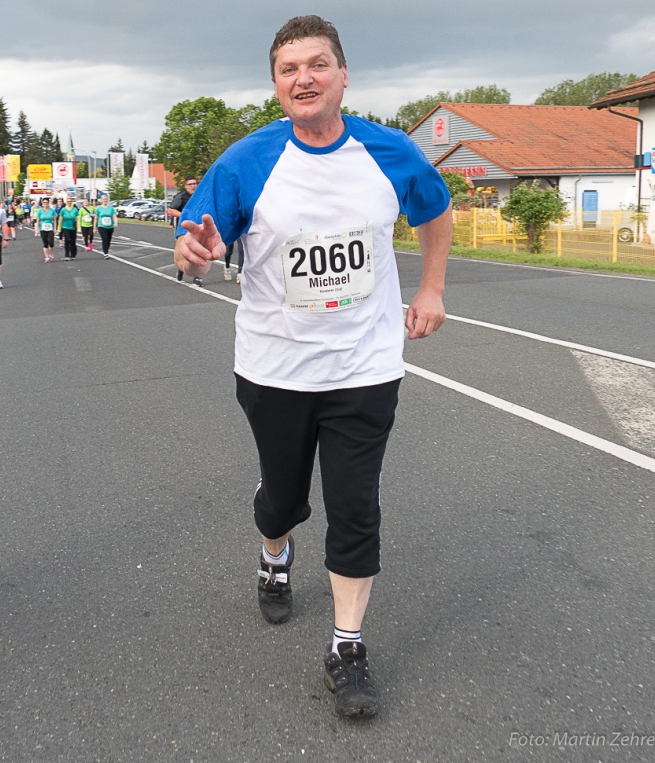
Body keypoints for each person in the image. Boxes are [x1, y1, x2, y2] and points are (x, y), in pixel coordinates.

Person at [173, 15, 451, 719]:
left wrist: (431, 287)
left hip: (366, 365)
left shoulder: (390, 153)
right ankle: (275, 553)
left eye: (317, 64)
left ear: (344, 75)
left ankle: (347, 646)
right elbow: (191, 241)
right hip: (276, 369)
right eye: (289, 68)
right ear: (276, 85)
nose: (304, 78)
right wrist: (193, 252)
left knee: (355, 507)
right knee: (284, 498)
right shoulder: (245, 162)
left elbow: (435, 212)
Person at [168, 176, 201, 285]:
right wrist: (184, 216)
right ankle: (180, 269)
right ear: (186, 186)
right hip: (183, 227)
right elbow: (171, 210)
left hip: (197, 227)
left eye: (195, 184)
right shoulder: (181, 196)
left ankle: (197, 276)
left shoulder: (200, 196)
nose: (193, 186)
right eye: (191, 184)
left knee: (197, 250)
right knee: (183, 251)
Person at [56, 196, 81, 260]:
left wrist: (78, 228)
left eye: (70, 201)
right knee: (67, 240)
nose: (69, 202)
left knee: (73, 241)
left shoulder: (75, 209)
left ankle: (73, 255)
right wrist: (59, 228)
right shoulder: (63, 209)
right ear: (66, 202)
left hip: (73, 227)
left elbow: (78, 219)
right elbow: (60, 219)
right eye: (68, 201)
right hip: (65, 227)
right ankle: (67, 255)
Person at [93, 194, 117, 259]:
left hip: (110, 226)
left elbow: (114, 216)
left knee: (108, 240)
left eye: (106, 199)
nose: (105, 201)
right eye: (103, 199)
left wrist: (116, 223)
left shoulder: (111, 208)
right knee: (105, 239)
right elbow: (96, 218)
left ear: (107, 200)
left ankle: (106, 250)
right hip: (101, 226)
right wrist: (94, 228)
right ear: (101, 200)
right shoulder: (99, 208)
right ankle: (105, 253)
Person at [34, 198, 57, 262]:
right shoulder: (40, 211)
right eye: (44, 203)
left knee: (51, 243)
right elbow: (37, 221)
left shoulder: (52, 211)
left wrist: (55, 228)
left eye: (47, 203)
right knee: (45, 243)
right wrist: (37, 229)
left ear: (48, 203)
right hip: (43, 228)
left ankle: (51, 254)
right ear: (42, 203)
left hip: (50, 228)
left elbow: (54, 220)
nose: (45, 204)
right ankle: (46, 257)